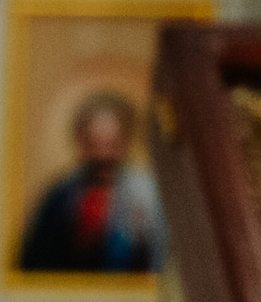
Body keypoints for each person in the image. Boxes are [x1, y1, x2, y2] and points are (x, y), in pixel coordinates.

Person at [15, 88, 164, 274]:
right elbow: (36, 262)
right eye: (94, 145)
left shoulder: (146, 196)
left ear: (125, 142)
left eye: (111, 145)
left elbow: (159, 260)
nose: (103, 156)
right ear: (81, 141)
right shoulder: (60, 196)